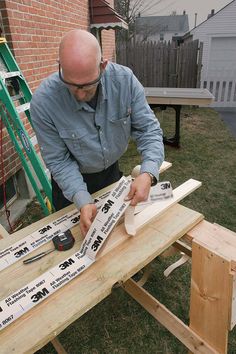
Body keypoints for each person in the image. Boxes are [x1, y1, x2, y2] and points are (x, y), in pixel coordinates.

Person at [30, 29, 164, 237]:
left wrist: (147, 173)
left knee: (116, 238)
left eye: (87, 86)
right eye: (72, 86)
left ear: (103, 66)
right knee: (77, 248)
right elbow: (58, 160)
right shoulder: (44, 102)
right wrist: (82, 199)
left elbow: (148, 130)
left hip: (110, 174)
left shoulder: (125, 82)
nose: (80, 94)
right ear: (60, 65)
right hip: (69, 187)